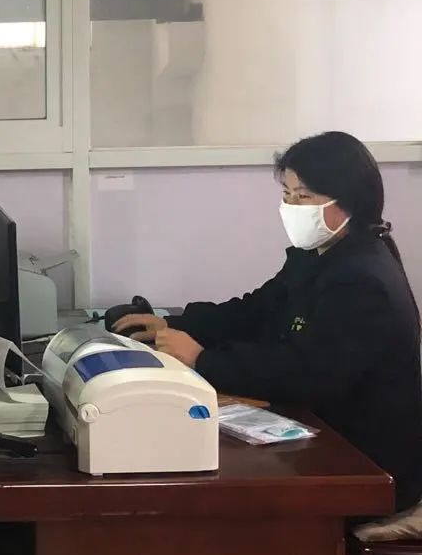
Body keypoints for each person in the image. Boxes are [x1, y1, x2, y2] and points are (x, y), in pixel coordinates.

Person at [111, 131, 422, 513]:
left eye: (303, 197)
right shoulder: (319, 255)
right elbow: (256, 310)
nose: (291, 206)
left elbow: (306, 372)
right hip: (325, 436)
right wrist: (173, 325)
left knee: (214, 497)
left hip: (367, 466)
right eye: (287, 194)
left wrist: (202, 360)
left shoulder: (362, 280)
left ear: (349, 202)